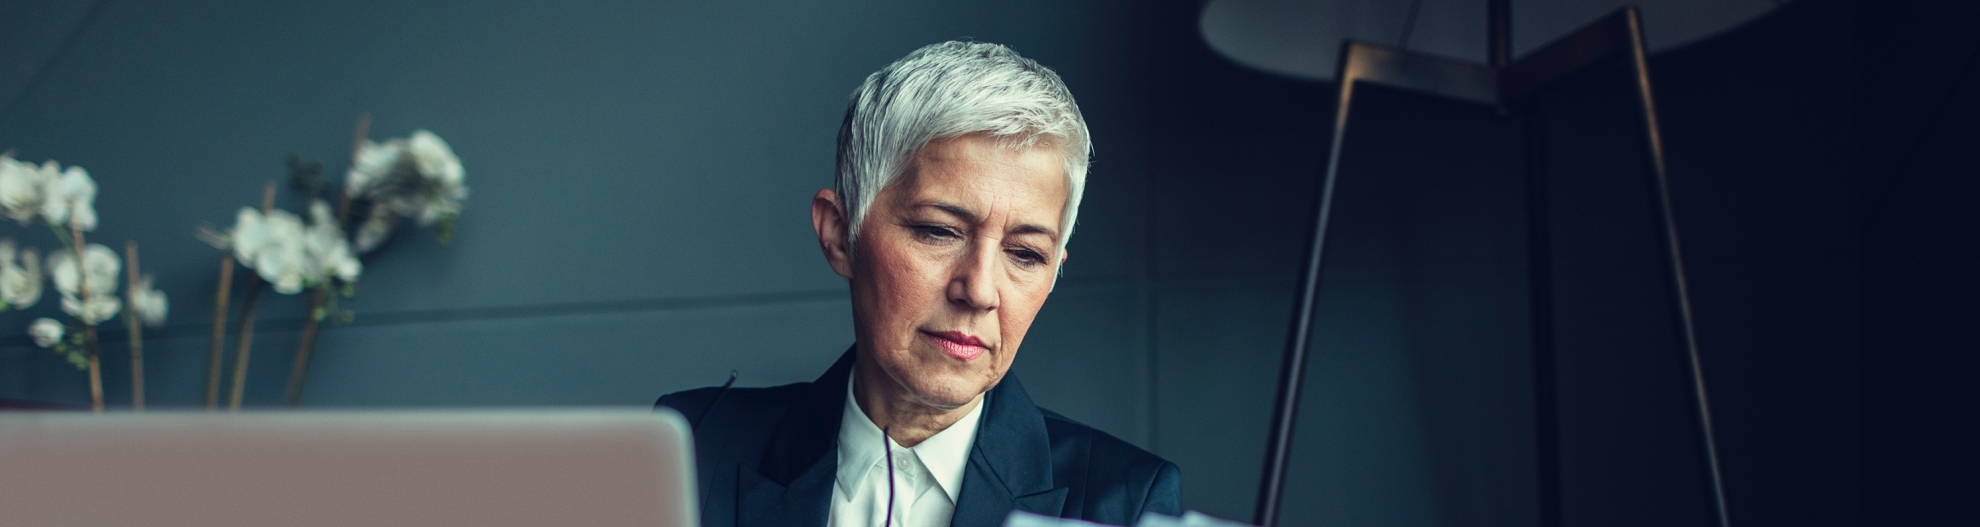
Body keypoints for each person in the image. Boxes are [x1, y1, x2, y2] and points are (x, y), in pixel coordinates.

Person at [656, 41, 1182, 527]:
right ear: (840, 235)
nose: (978, 291)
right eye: (938, 231)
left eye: (1025, 254)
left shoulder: (1128, 504)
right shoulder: (692, 445)